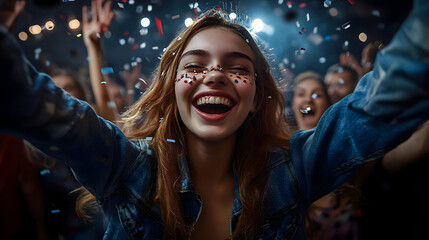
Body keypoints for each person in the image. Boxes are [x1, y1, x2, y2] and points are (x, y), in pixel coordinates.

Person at [1, 0, 429, 239]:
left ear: (260, 95)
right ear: (171, 87)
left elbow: (378, 105)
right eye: (196, 64)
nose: (217, 74)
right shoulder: (123, 165)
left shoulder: (297, 168)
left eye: (237, 67)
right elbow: (43, 110)